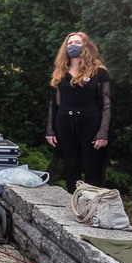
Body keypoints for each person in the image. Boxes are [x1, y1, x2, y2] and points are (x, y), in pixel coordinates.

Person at [45, 32, 111, 193]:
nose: (72, 46)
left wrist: (103, 132)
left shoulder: (99, 72)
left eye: (77, 42)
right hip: (65, 122)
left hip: (91, 122)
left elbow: (106, 103)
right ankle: (74, 202)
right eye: (69, 43)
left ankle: (92, 206)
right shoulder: (61, 71)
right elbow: (55, 103)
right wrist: (50, 129)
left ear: (86, 46)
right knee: (71, 165)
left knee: (91, 166)